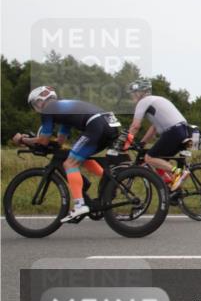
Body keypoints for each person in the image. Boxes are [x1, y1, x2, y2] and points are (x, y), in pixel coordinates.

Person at [11, 86, 120, 222]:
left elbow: (44, 140)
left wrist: (23, 139)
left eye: (35, 103)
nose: (36, 107)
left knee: (70, 163)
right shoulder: (62, 110)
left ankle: (80, 205)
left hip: (96, 124)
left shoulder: (48, 110)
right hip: (109, 122)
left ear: (41, 100)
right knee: (79, 156)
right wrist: (52, 144)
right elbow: (60, 141)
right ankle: (112, 179)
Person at [124, 78, 192, 190]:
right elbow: (154, 128)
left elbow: (135, 126)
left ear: (141, 92)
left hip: (173, 131)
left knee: (149, 158)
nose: (132, 96)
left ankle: (179, 173)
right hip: (184, 130)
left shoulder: (143, 102)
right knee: (160, 162)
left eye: (133, 93)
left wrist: (126, 142)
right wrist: (143, 142)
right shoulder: (157, 99)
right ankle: (174, 191)